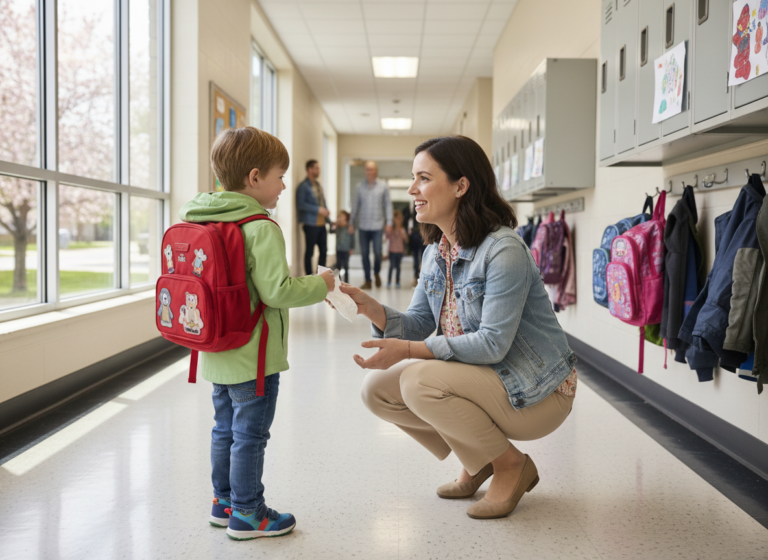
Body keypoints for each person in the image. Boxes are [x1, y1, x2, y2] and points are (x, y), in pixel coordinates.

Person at [340, 136, 577, 520]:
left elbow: (492, 345)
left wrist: (411, 352)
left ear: (460, 186)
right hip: (487, 378)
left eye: (423, 178)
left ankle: (510, 465)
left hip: (537, 391)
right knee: (376, 391)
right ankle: (479, 457)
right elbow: (417, 325)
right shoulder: (437, 251)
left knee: (419, 382)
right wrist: (374, 309)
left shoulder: (503, 251)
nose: (412, 189)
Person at [179, 127, 335, 540]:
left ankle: (223, 501)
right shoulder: (260, 227)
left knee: (223, 428)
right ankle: (249, 513)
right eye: (279, 176)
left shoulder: (203, 216)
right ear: (254, 178)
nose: (284, 185)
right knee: (251, 434)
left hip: (213, 349)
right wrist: (324, 285)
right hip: (254, 354)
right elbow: (277, 292)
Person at [349, 160, 392, 289]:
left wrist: (389, 222)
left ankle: (377, 272)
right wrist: (351, 222)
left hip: (378, 226)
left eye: (372, 169)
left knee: (378, 253)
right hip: (362, 226)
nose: (369, 172)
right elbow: (355, 206)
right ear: (365, 171)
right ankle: (368, 280)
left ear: (376, 171)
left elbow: (388, 205)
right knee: (365, 254)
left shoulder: (383, 186)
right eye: (367, 169)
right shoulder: (359, 187)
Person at [296, 159, 330, 275]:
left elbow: (322, 203)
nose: (318, 170)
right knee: (309, 252)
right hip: (310, 224)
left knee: (324, 251)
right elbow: (301, 204)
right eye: (316, 168)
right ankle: (309, 277)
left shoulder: (318, 185)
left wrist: (328, 219)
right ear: (309, 169)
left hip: (321, 224)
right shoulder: (303, 186)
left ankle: (321, 276)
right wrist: (318, 209)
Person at [386, 210, 408, 288]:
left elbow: (406, 240)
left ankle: (397, 281)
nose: (400, 220)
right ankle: (389, 281)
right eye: (398, 218)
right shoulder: (391, 229)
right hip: (392, 250)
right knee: (391, 266)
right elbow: (386, 237)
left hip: (399, 250)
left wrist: (404, 235)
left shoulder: (402, 229)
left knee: (398, 267)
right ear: (393, 219)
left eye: (400, 218)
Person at [331, 210, 353, 283]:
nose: (341, 219)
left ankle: (346, 281)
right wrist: (335, 225)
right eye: (339, 217)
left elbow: (352, 239)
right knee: (338, 266)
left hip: (346, 249)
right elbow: (330, 231)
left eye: (343, 217)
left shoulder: (349, 227)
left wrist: (352, 248)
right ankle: (338, 280)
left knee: (346, 266)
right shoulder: (338, 228)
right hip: (339, 249)